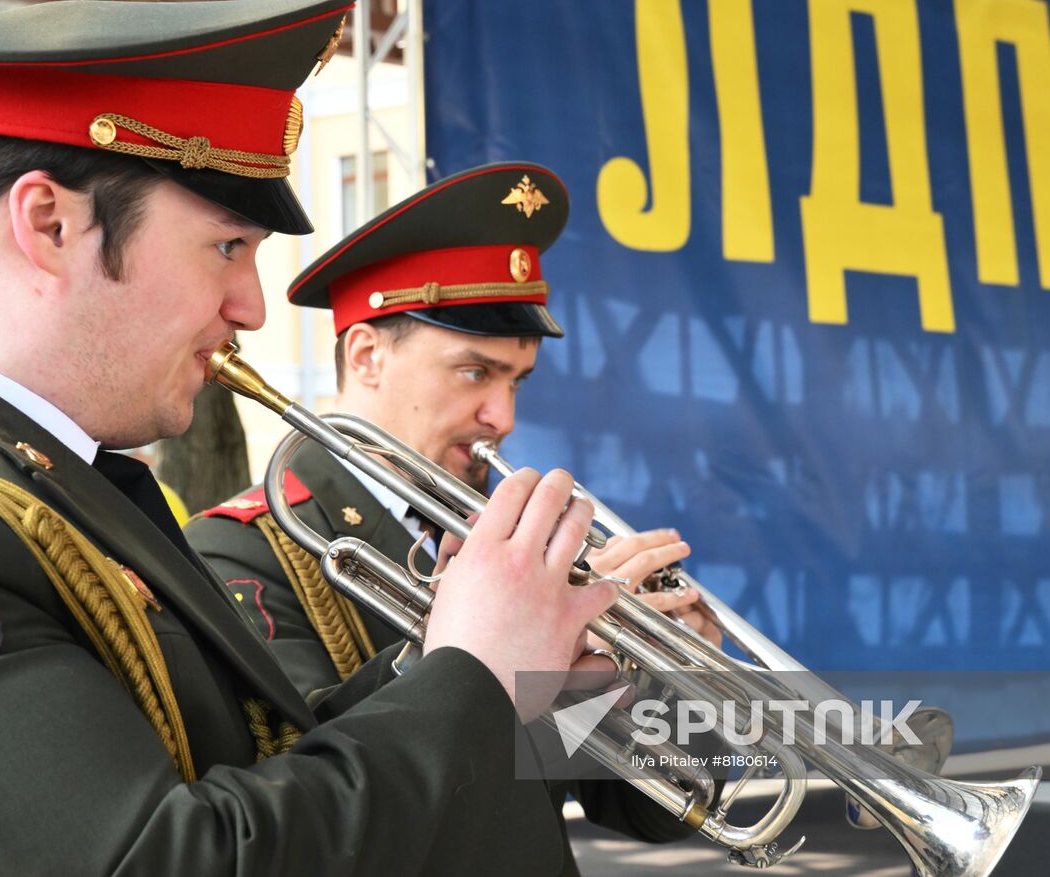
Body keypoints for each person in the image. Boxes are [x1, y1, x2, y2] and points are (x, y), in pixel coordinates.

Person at [0, 0, 619, 877]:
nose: (250, 305)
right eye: (227, 247)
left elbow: (253, 766)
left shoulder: (30, 475)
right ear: (50, 226)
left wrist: (510, 662)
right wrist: (475, 672)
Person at [185, 163, 723, 873]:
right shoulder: (238, 547)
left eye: (516, 380)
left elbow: (651, 809)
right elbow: (295, 793)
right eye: (475, 372)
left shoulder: (505, 542)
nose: (504, 416)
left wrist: (659, 675)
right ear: (367, 355)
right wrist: (483, 647)